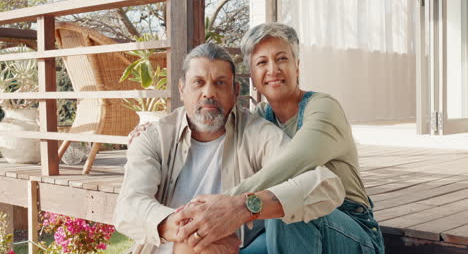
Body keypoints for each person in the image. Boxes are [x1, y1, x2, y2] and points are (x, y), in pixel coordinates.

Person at [170, 23, 385, 254]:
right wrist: (158, 131)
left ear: (297, 67)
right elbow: (216, 129)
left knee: (288, 202)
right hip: (282, 230)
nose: (273, 69)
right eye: (262, 62)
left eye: (281, 59)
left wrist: (226, 204)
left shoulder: (323, 108)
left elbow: (292, 165)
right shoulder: (261, 117)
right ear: (252, 75)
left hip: (351, 232)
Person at [113, 42, 346, 254]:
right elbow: (129, 205)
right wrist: (190, 230)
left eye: (220, 83)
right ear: (182, 89)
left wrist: (243, 207)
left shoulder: (257, 133)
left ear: (235, 91)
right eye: (198, 83)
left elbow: (325, 184)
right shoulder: (155, 137)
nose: (209, 93)